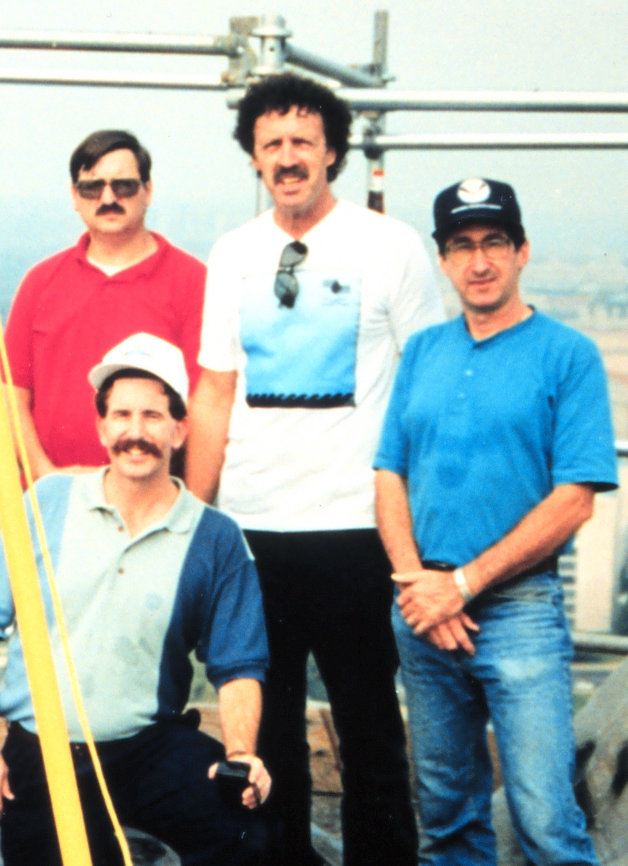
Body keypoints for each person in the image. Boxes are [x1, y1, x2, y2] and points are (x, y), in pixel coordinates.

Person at [186, 73, 442, 866]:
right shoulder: (232, 254)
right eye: (272, 145)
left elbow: (424, 385)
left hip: (358, 528)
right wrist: (190, 521)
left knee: (369, 726)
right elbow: (216, 395)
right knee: (267, 730)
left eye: (303, 141)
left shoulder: (389, 246)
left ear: (333, 149)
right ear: (254, 159)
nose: (288, 158)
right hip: (255, 529)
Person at [0, 333, 274, 866]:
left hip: (145, 746)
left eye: (153, 416)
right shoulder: (49, 501)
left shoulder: (215, 537)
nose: (135, 432)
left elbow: (238, 663)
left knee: (249, 832)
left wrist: (242, 752)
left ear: (180, 428)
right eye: (121, 414)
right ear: (101, 425)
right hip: (43, 751)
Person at [376, 178, 616, 866]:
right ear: (443, 260)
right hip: (424, 610)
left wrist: (465, 585)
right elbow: (388, 472)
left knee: (545, 820)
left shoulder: (568, 355)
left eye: (494, 244)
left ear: (522, 252)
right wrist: (418, 583)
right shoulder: (423, 351)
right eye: (462, 247)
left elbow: (576, 498)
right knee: (447, 817)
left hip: (517, 609)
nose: (479, 262)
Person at [6, 129, 206, 475]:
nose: (108, 198)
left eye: (124, 186)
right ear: (74, 195)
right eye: (92, 188)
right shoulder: (40, 283)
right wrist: (48, 479)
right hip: (53, 499)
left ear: (148, 190)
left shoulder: (193, 282)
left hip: (153, 501)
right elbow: (10, 395)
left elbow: (204, 406)